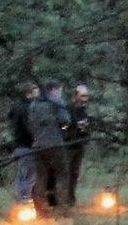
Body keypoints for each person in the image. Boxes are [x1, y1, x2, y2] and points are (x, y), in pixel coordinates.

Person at [27, 81, 71, 217]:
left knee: (41, 177)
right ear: (55, 89)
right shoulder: (56, 102)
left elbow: (30, 124)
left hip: (38, 145)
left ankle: (41, 210)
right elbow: (66, 120)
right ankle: (62, 208)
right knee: (62, 175)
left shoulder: (33, 104)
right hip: (55, 143)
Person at [61, 83, 93, 205]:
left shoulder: (84, 110)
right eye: (83, 96)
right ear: (76, 96)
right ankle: (64, 198)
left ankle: (71, 199)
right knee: (66, 173)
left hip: (80, 145)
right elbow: (65, 126)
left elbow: (87, 126)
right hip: (69, 146)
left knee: (74, 173)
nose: (85, 98)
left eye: (86, 96)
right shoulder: (68, 109)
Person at [8, 82, 39, 204]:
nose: (37, 93)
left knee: (23, 174)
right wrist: (36, 138)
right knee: (29, 175)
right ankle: (26, 200)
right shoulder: (27, 108)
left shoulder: (16, 107)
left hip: (18, 145)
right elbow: (29, 127)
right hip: (27, 145)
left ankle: (24, 199)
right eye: (35, 90)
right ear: (28, 93)